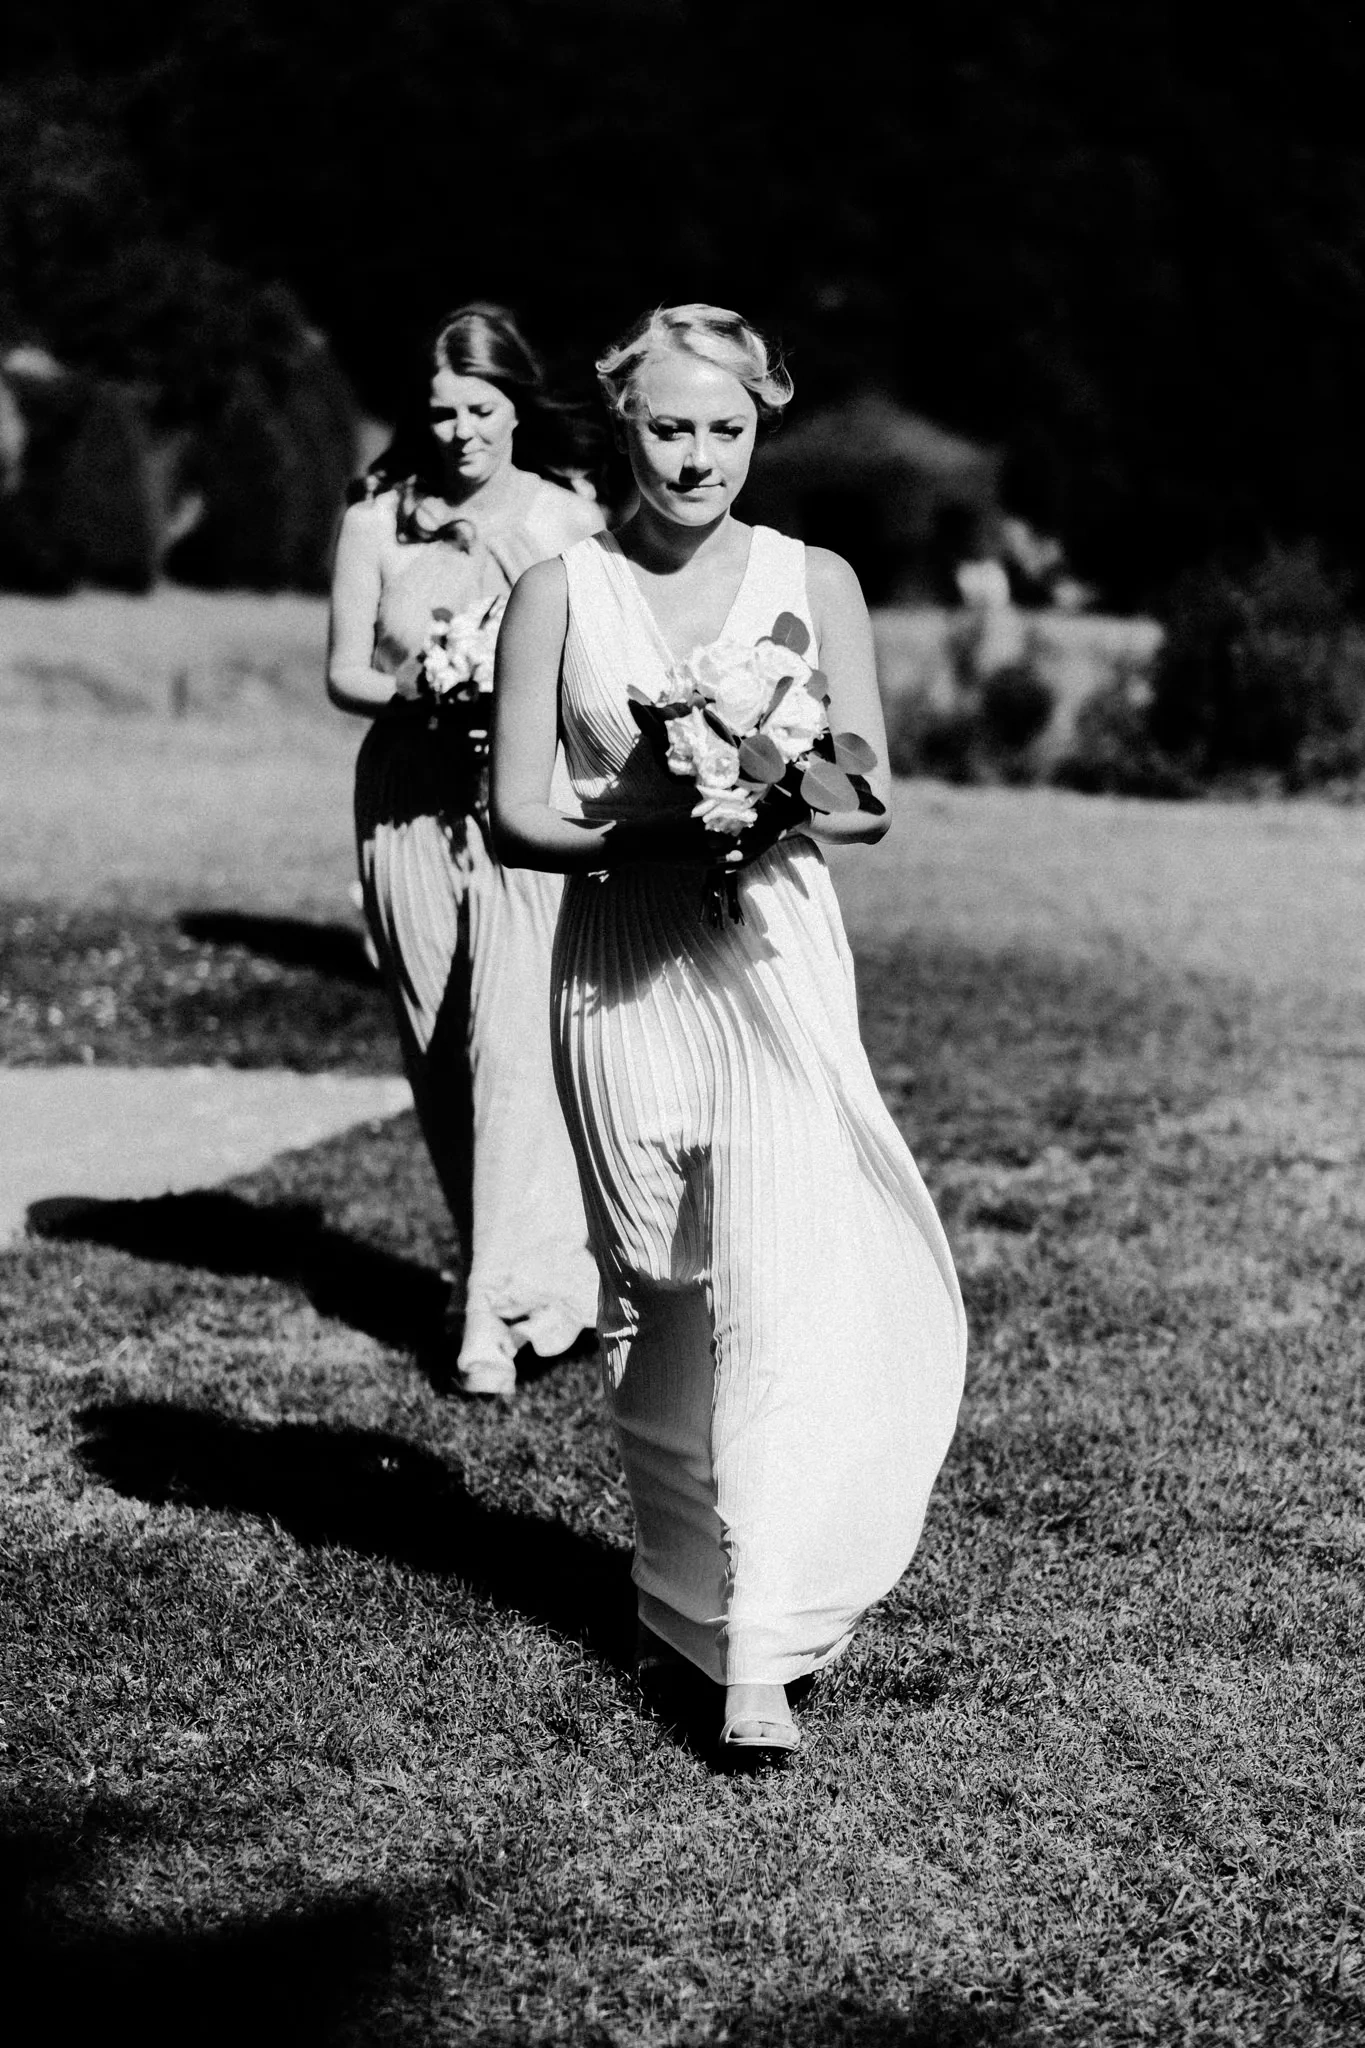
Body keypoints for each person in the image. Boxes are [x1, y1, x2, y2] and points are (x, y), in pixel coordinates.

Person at [491, 304, 967, 1761]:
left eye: (726, 429)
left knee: (770, 1286)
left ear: (761, 428)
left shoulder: (812, 579)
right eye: (667, 426)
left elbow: (870, 799)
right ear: (619, 424)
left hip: (771, 956)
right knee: (656, 1290)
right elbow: (515, 812)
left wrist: (770, 765)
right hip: (620, 969)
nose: (696, 457)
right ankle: (671, 1594)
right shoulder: (555, 591)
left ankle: (753, 1653)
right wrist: (646, 824)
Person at [327, 303, 602, 1398]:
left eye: (481, 408)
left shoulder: (570, 520)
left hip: (519, 805)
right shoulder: (375, 517)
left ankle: (494, 1309)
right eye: (440, 411)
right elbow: (343, 667)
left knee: (513, 1050)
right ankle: (509, 1270)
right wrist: (419, 685)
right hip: (404, 798)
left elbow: (596, 667)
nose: (459, 431)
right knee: (438, 1049)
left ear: (516, 407)